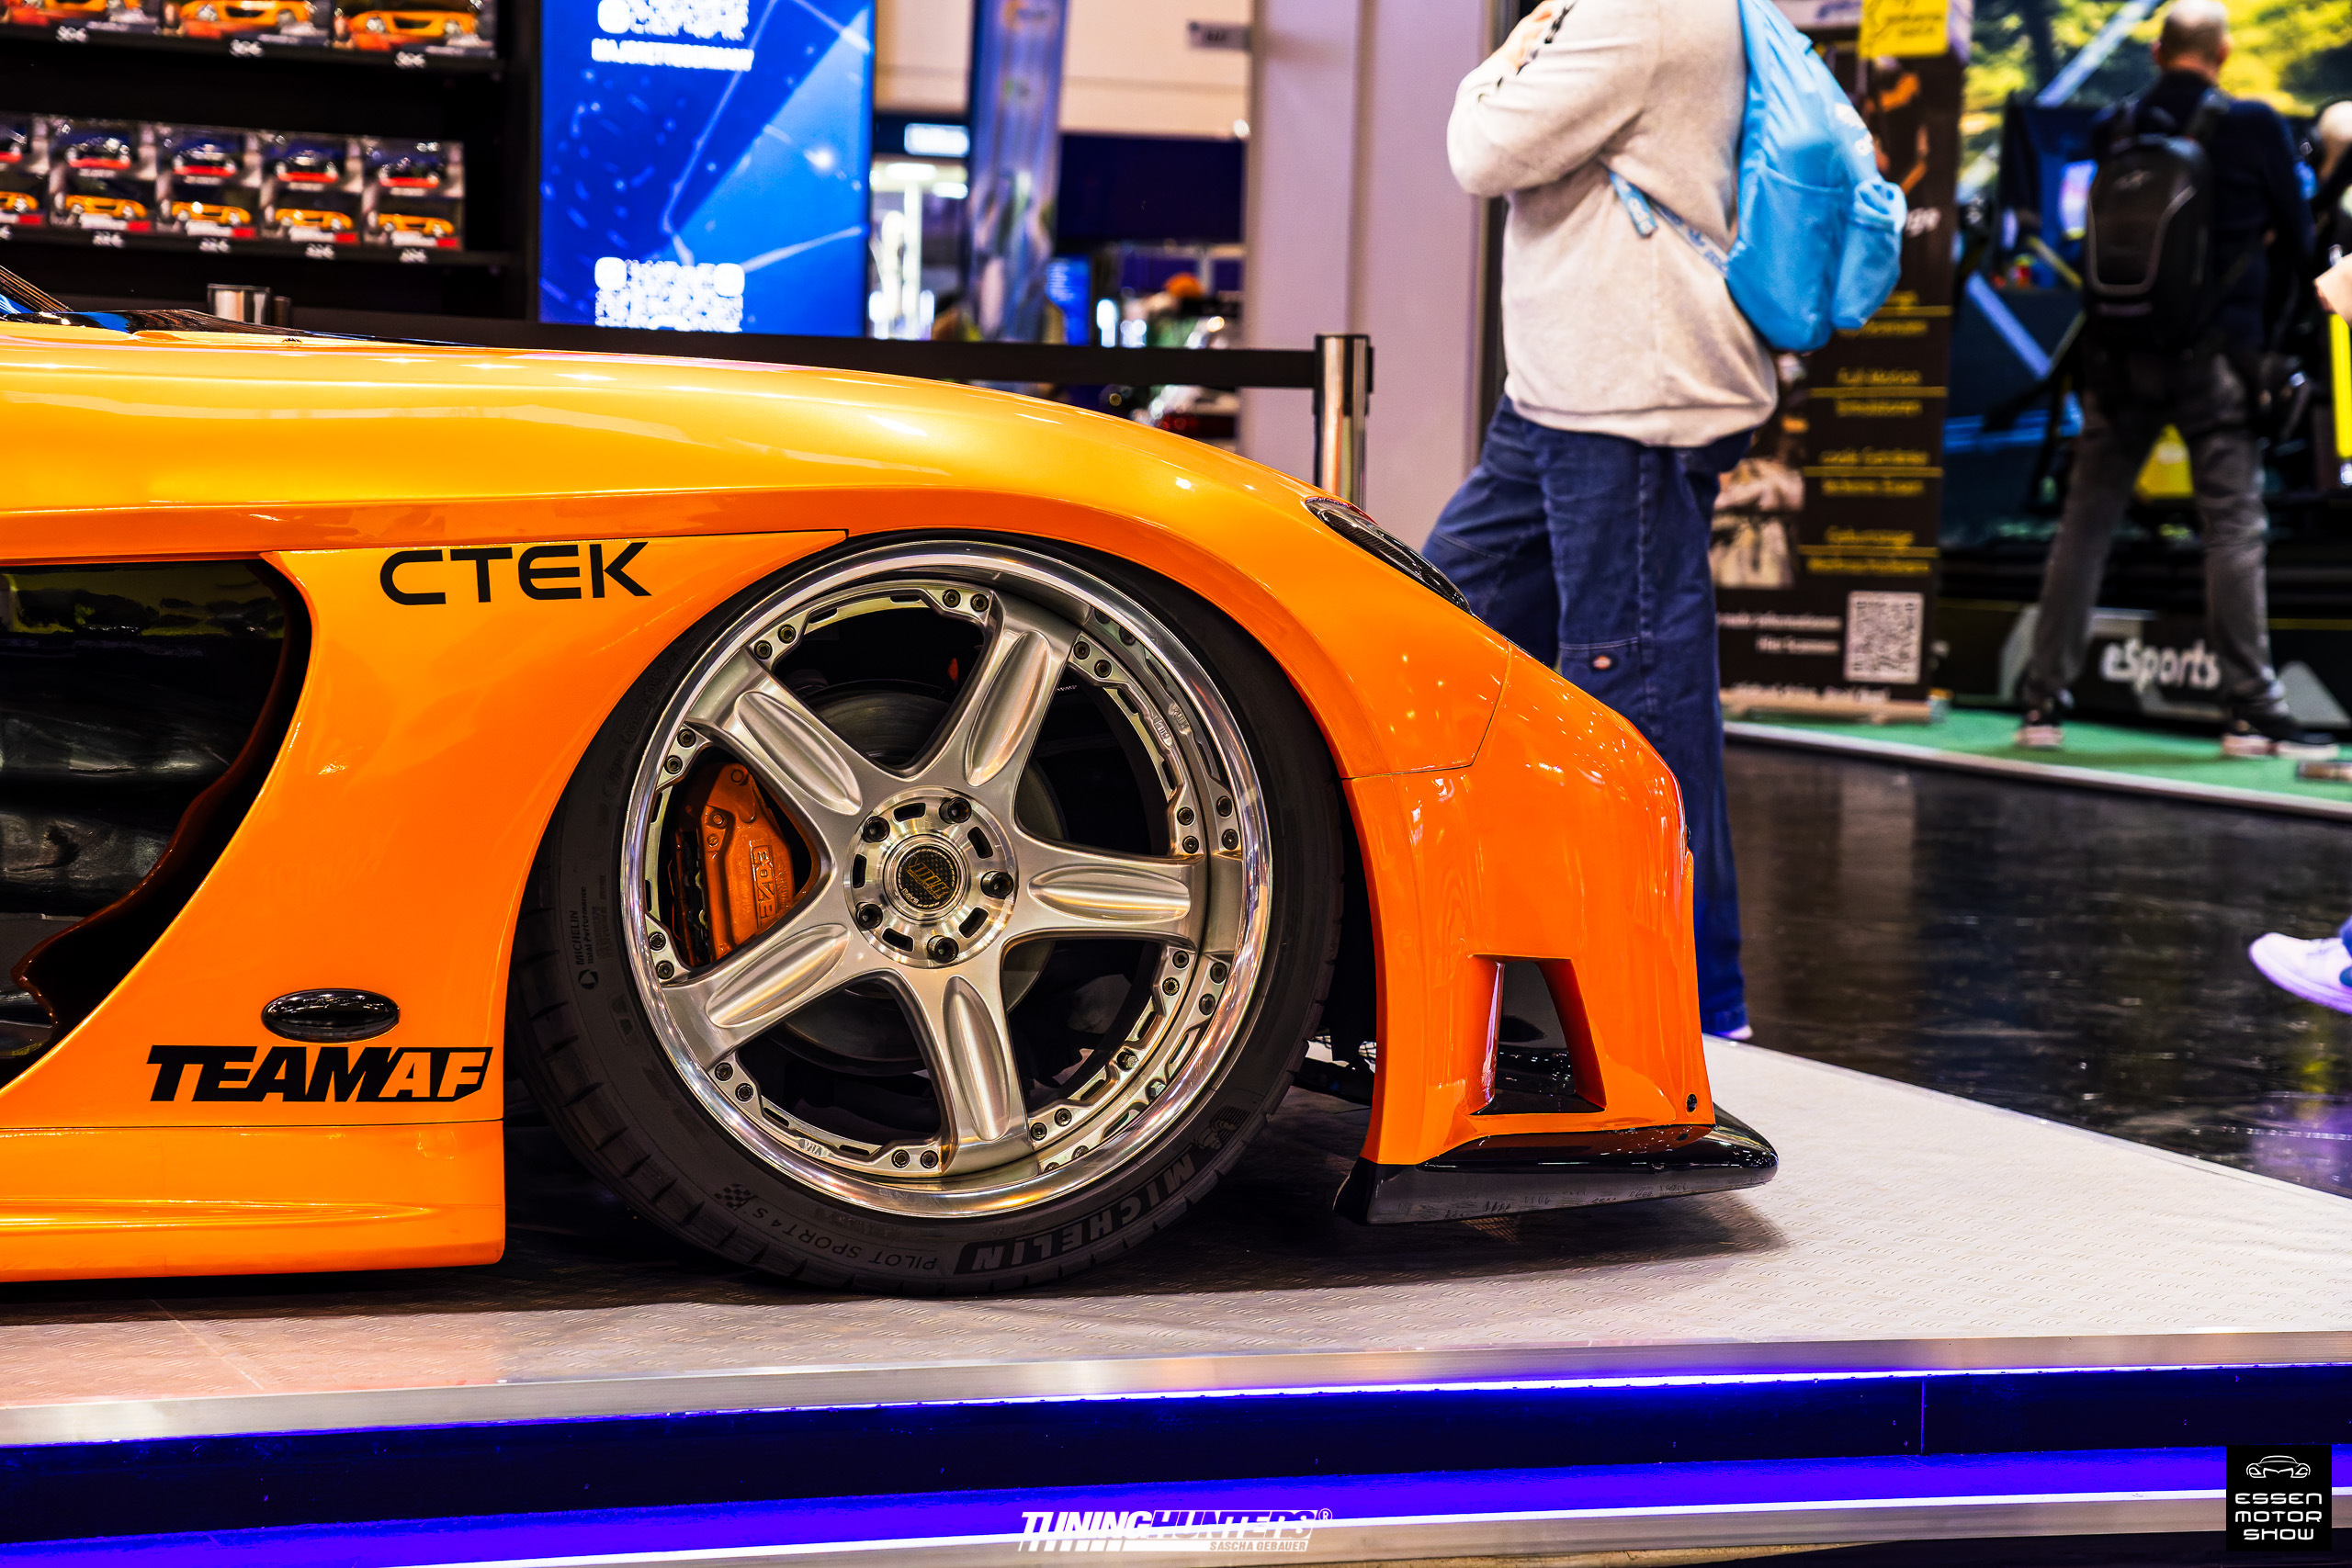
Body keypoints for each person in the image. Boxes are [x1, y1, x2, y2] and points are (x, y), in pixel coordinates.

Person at [1422, 0, 1773, 1040]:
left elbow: (1481, 149)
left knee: (1641, 695)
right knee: (1444, 632)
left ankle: (1691, 1005)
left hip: (1625, 398)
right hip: (1559, 393)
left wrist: (1506, 57)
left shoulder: (1640, 12)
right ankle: (1464, 952)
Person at [2014, 0, 2328, 758]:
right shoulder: (2252, 125)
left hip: (2115, 360)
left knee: (2085, 527)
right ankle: (2251, 710)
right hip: (2217, 360)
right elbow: (2302, 240)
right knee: (2233, 527)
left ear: (2157, 53)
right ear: (2223, 54)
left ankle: (2041, 703)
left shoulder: (2114, 128)